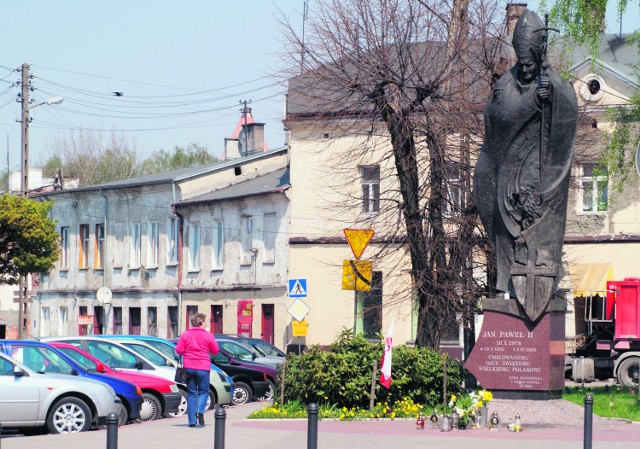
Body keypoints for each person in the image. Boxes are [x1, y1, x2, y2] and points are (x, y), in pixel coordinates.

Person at [473, 9, 578, 322]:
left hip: (537, 176)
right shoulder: (505, 85)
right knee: (506, 234)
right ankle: (506, 287)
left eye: (532, 63)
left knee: (533, 230)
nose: (528, 69)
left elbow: (568, 112)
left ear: (538, 55)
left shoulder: (553, 83)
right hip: (506, 176)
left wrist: (552, 98)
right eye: (523, 63)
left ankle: (534, 282)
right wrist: (532, 103)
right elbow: (497, 120)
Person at [175, 312, 219, 427]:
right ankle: (200, 411)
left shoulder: (185, 335)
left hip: (189, 367)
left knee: (191, 394)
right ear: (201, 322)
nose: (205, 324)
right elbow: (215, 351)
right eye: (205, 322)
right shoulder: (208, 335)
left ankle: (192, 421)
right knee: (203, 392)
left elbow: (179, 350)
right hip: (203, 367)